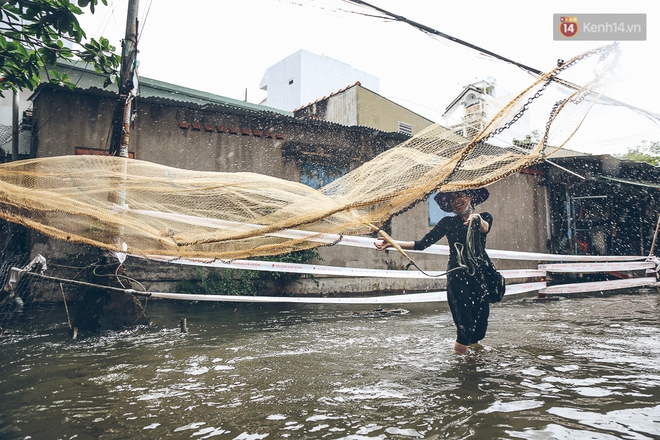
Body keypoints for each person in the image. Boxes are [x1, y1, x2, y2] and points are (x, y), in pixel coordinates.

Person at [375, 188, 493, 354]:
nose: (456, 201)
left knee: (479, 329)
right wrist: (392, 243)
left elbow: (485, 227)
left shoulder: (484, 217)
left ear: (471, 197)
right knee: (465, 330)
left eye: (460, 196)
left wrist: (476, 219)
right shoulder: (447, 223)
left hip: (480, 278)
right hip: (457, 277)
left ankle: (474, 363)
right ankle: (464, 372)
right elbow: (422, 244)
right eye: (452, 198)